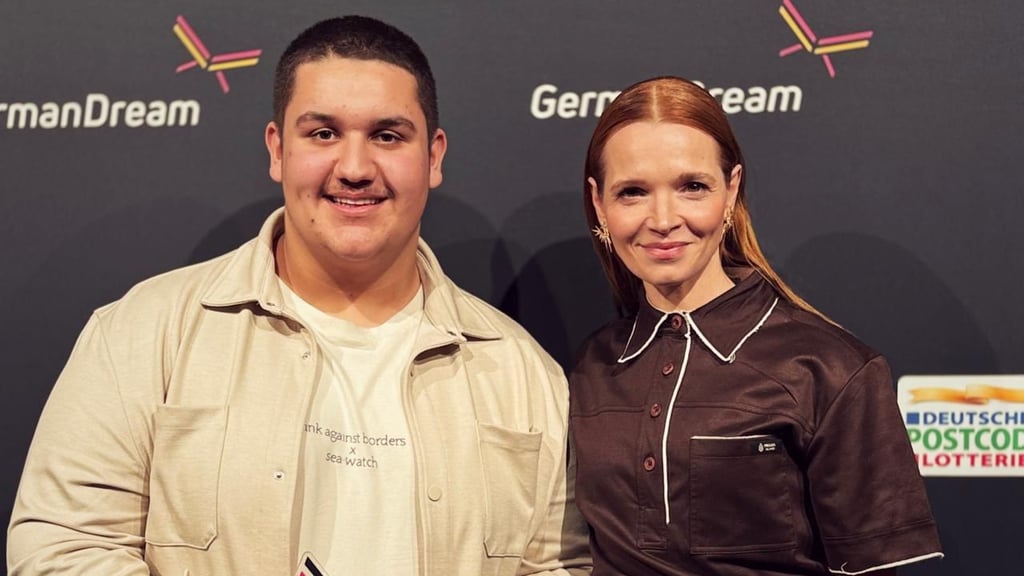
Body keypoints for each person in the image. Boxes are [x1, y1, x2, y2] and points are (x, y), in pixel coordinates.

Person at [7, 16, 590, 576]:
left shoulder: (522, 371)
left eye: (387, 135)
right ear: (277, 150)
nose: (355, 167)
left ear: (433, 156)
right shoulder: (142, 333)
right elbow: (65, 545)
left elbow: (557, 567)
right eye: (323, 133)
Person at [569, 76, 942, 576]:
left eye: (692, 187)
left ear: (732, 190)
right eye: (632, 192)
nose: (662, 219)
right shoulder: (589, 367)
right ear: (599, 204)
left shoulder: (832, 370)